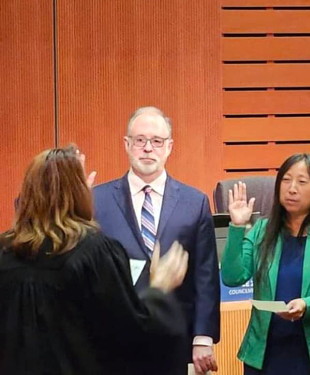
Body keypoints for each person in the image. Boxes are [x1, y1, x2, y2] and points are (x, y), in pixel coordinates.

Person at [0, 145, 189, 375]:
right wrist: (159, 289)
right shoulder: (95, 252)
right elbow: (130, 334)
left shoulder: (6, 251)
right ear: (78, 193)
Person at [93, 106, 220, 374]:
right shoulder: (97, 200)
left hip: (176, 336)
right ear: (127, 145)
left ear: (170, 147)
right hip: (115, 339)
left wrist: (203, 337)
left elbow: (205, 275)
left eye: (157, 141)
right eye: (140, 140)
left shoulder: (194, 202)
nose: (148, 148)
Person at [221, 153, 310, 374]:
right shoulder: (261, 231)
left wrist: (308, 305)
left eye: (302, 182)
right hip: (266, 353)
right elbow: (232, 277)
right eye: (286, 180)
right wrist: (237, 226)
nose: (292, 188)